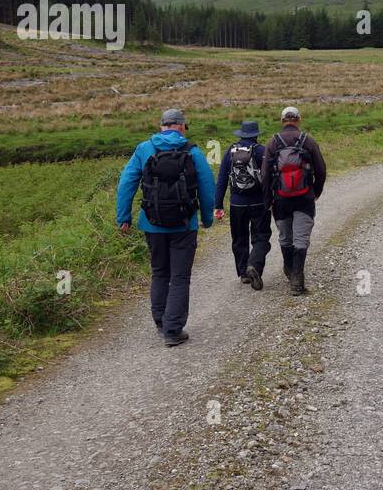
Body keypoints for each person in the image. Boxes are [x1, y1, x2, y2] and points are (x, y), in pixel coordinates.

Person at [115, 108, 216, 346]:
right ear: (181, 126)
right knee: (180, 277)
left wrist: (124, 217)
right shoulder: (193, 151)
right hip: (184, 225)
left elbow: (126, 182)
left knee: (160, 272)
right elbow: (207, 187)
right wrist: (207, 219)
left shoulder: (144, 148)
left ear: (161, 125)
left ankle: (161, 321)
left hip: (152, 223)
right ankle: (173, 330)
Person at [261, 106, 327, 295]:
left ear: (282, 120)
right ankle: (297, 280)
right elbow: (321, 170)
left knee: (285, 236)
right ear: (299, 119)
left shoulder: (273, 142)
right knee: (301, 238)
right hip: (304, 198)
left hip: (280, 199)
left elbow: (265, 175)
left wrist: (268, 201)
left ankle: (289, 269)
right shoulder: (308, 141)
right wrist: (316, 191)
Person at [214, 120, 271, 290]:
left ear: (241, 134)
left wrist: (218, 205)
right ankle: (254, 265)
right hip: (259, 202)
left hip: (237, 203)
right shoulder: (262, 151)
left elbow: (222, 179)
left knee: (239, 238)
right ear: (256, 135)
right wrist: (272, 200)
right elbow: (269, 178)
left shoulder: (230, 152)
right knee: (261, 236)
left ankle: (244, 274)